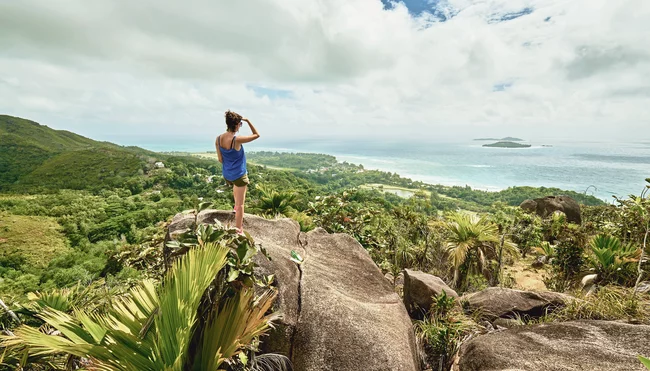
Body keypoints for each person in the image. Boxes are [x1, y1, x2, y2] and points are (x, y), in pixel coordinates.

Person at [216, 110, 260, 235]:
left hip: (227, 174)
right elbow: (256, 135)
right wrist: (248, 121)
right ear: (236, 125)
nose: (240, 126)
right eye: (240, 124)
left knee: (236, 189)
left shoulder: (218, 139)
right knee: (241, 204)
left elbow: (220, 159)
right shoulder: (237, 140)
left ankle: (235, 210)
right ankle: (239, 230)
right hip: (239, 174)